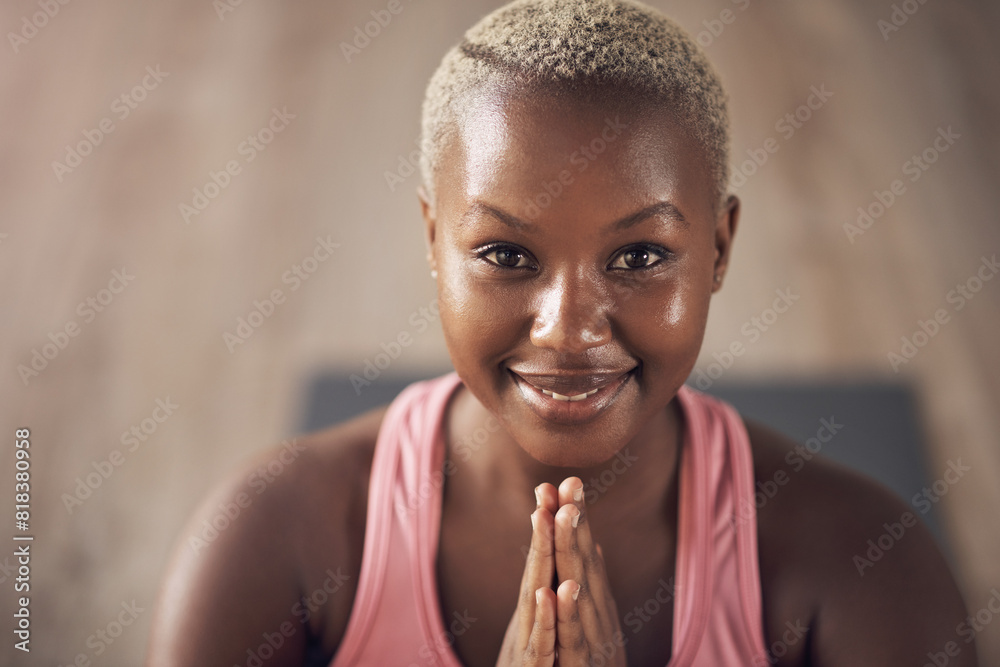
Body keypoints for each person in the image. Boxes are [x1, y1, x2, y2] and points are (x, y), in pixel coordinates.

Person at [146, 0, 976, 665]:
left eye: (641, 254)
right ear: (433, 242)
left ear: (718, 249)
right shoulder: (272, 537)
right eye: (507, 253)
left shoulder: (867, 567)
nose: (569, 327)